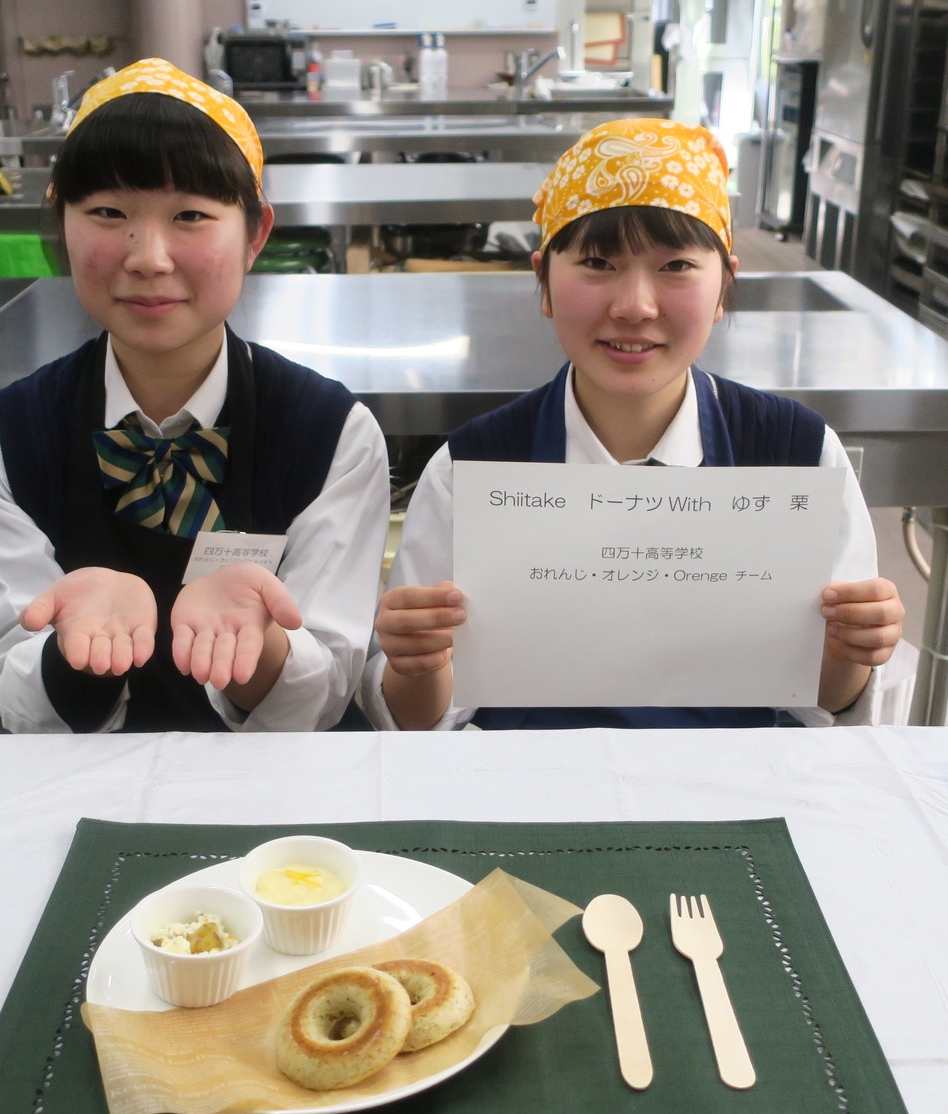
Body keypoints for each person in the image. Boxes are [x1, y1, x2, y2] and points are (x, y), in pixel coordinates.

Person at [363, 118, 904, 732]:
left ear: (724, 284)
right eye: (597, 262)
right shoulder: (474, 468)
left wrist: (850, 649)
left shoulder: (796, 457)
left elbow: (828, 705)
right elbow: (416, 724)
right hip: (524, 800)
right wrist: (416, 663)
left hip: (729, 800)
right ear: (543, 280)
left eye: (675, 266)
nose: (635, 306)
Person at [0, 60, 388, 733]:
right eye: (108, 213)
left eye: (189, 215)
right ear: (61, 223)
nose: (148, 256)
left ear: (256, 234)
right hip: (83, 796)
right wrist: (76, 651)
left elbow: (323, 697)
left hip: (280, 801)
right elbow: (18, 702)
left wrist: (260, 645)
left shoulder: (334, 435)